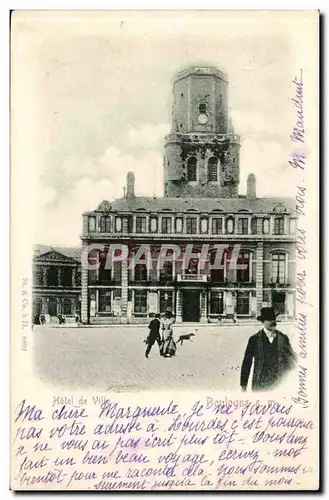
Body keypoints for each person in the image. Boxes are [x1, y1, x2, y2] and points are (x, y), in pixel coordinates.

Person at [240, 307, 296, 392]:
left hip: (279, 384)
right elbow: (247, 362)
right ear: (263, 322)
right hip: (260, 383)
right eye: (269, 319)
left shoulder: (283, 338)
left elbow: (291, 360)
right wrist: (243, 384)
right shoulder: (254, 339)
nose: (273, 322)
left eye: (274, 319)